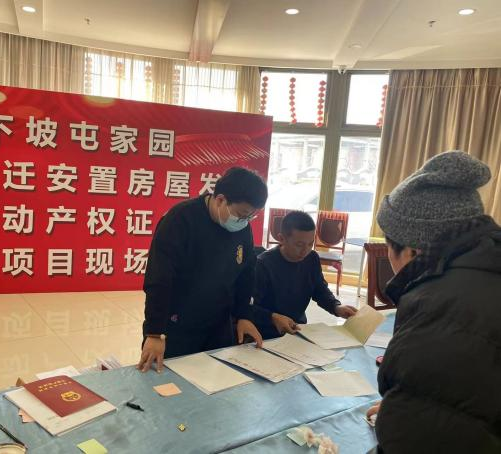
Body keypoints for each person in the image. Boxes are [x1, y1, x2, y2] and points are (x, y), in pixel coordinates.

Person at [368, 151, 501, 453]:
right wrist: (409, 410)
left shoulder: (439, 309)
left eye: (388, 246)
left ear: (412, 251)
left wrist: (408, 423)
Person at [137, 167, 267, 373]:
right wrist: (155, 333)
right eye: (242, 214)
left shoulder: (242, 227)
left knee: (215, 379)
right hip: (177, 324)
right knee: (168, 381)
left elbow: (246, 273)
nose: (245, 221)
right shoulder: (180, 219)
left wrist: (244, 315)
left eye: (251, 217)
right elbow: (159, 279)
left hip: (218, 323)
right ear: (220, 200)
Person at [252, 210, 357, 340]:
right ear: (281, 239)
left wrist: (336, 307)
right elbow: (248, 307)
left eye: (310, 244)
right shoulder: (263, 265)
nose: (305, 251)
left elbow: (320, 290)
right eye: (299, 245)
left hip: (298, 330)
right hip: (266, 334)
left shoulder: (312, 258)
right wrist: (272, 317)